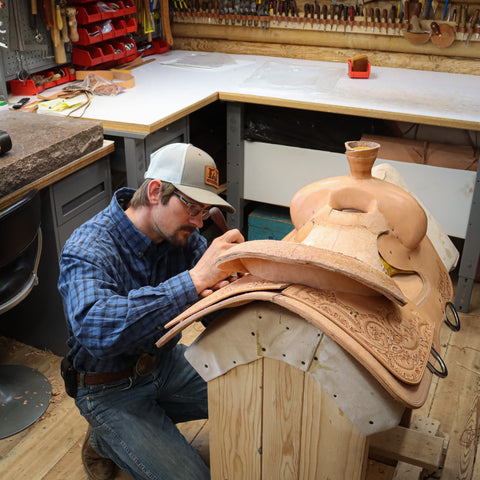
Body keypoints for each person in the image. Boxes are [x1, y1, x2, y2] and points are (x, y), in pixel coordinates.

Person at [58, 143, 244, 480]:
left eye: (205, 211)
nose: (200, 223)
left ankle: (133, 426)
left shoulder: (183, 238)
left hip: (166, 365)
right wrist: (192, 282)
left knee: (255, 388)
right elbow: (96, 330)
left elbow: (210, 313)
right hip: (108, 388)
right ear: (156, 192)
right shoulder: (88, 247)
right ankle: (106, 435)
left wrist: (235, 290)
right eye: (193, 208)